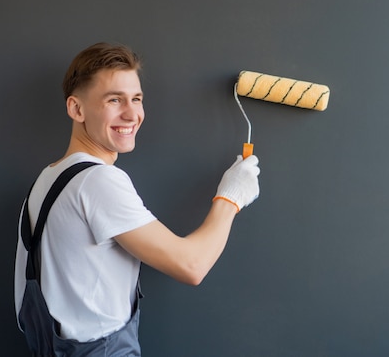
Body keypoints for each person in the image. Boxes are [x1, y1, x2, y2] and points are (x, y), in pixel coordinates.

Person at [14, 42, 260, 355]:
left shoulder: (48, 177)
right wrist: (231, 196)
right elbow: (192, 266)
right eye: (114, 100)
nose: (132, 114)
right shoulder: (98, 181)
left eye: (137, 99)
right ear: (76, 109)